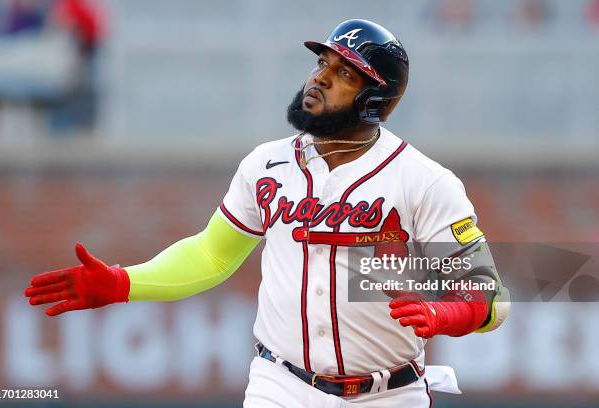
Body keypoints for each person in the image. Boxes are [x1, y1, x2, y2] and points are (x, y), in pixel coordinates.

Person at [25, 19, 510, 407]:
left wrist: (445, 311)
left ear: (375, 100)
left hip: (390, 393)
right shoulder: (267, 164)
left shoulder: (423, 180)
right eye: (323, 62)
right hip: (281, 385)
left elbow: (491, 296)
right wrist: (121, 283)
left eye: (344, 74)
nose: (320, 76)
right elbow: (213, 256)